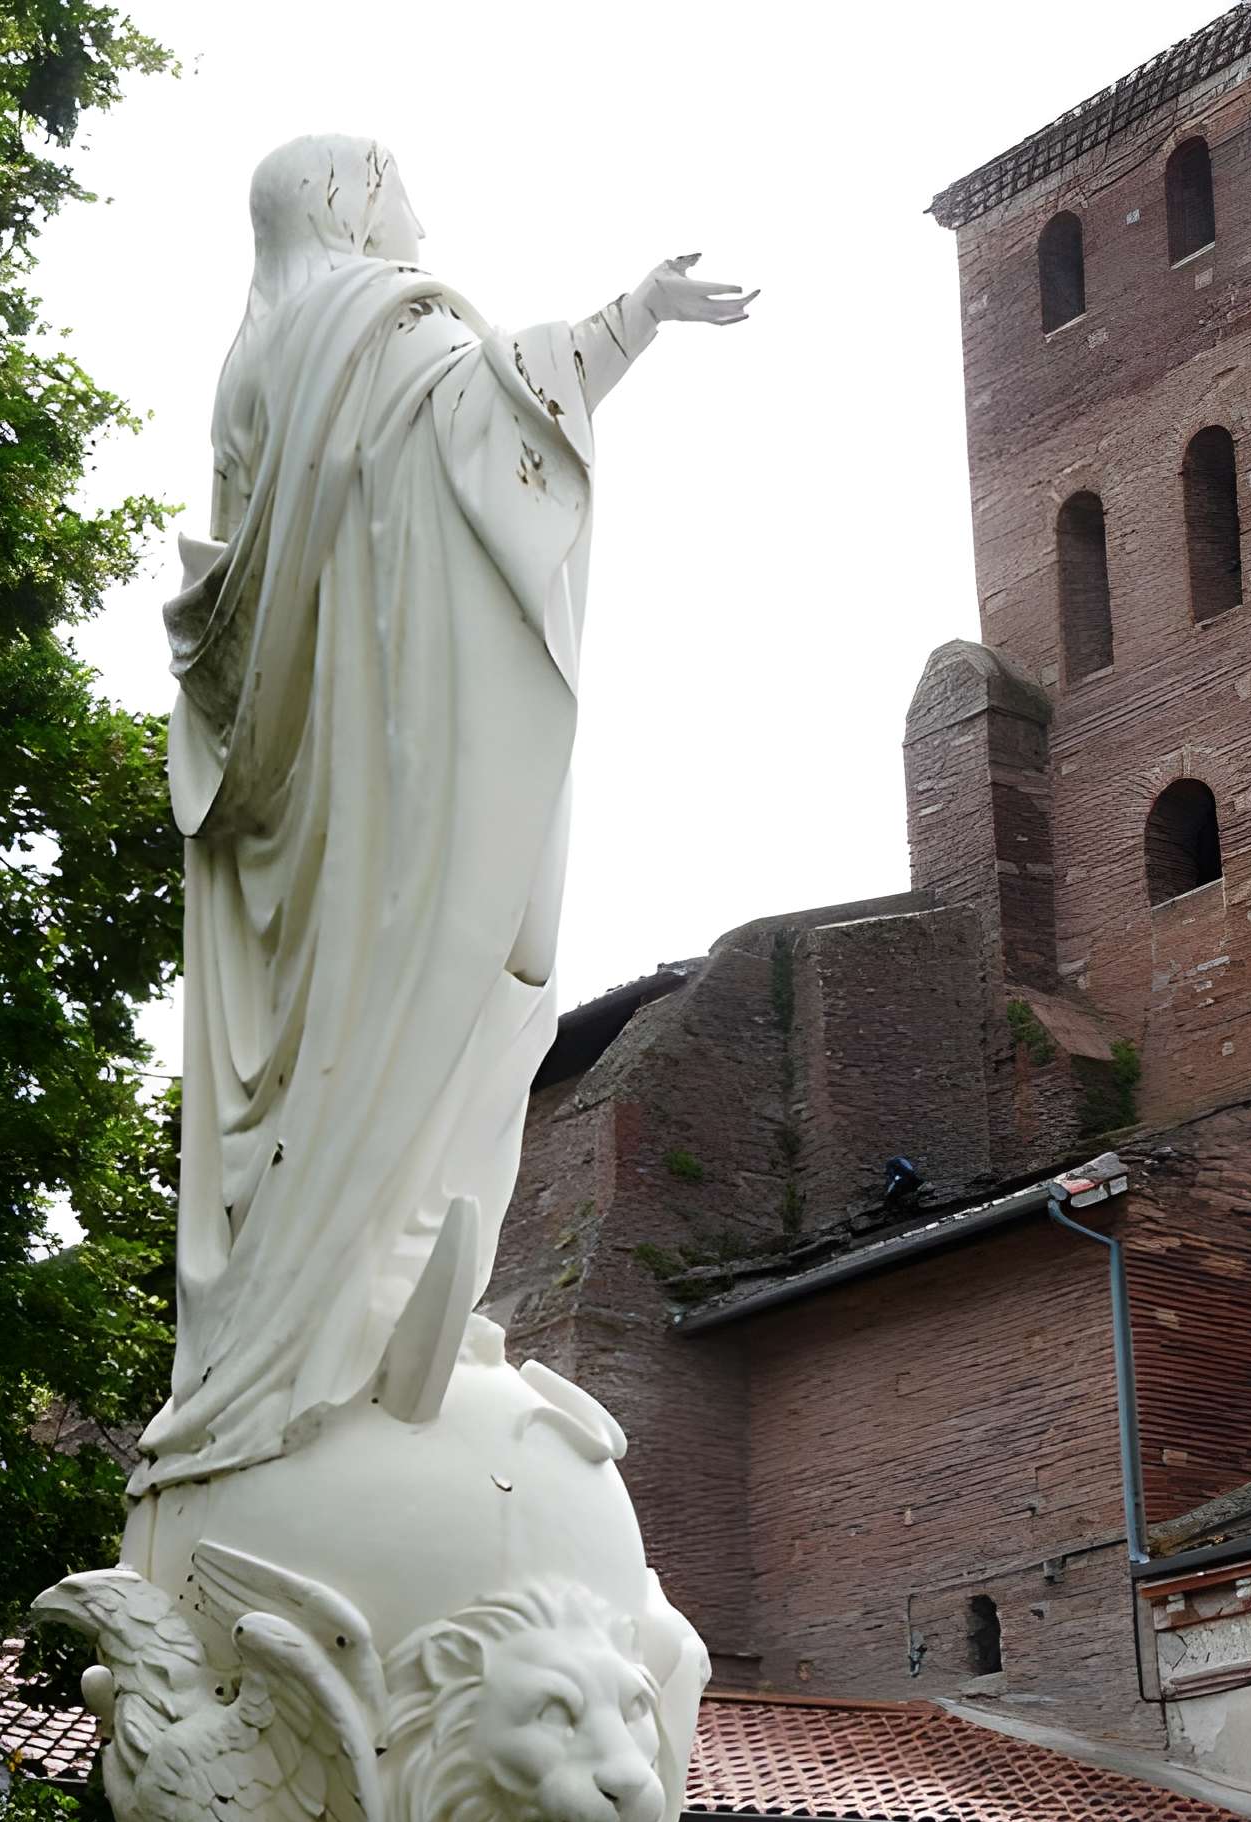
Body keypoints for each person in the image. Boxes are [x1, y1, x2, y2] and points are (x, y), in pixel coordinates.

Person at [134, 133, 753, 1496]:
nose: (418, 213)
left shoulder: (257, 364)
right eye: (400, 188)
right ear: (352, 200)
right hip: (397, 769)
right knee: (441, 1009)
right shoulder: (373, 322)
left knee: (342, 1045)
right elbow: (496, 416)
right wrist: (635, 316)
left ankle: (338, 1318)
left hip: (298, 803)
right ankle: (348, 1334)